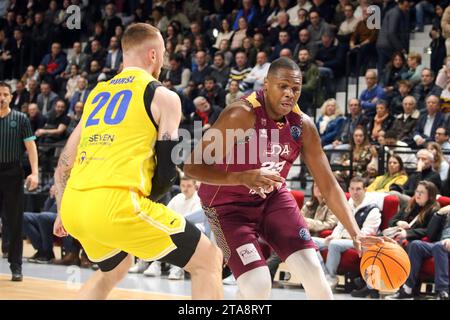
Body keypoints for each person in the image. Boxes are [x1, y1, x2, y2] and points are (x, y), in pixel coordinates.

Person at [184, 57, 383, 300]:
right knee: (258, 285)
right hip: (226, 208)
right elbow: (192, 166)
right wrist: (241, 177)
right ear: (266, 85)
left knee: (315, 276)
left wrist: (355, 232)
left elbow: (328, 184)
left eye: (296, 88)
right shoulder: (241, 114)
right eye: (283, 86)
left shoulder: (303, 126)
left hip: (273, 201)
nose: (290, 93)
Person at [52, 23, 223, 300]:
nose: (164, 60)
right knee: (209, 261)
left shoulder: (96, 95)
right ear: (154, 55)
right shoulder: (163, 96)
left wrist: (62, 210)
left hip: (75, 205)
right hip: (116, 205)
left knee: (117, 268)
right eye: (164, 53)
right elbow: (167, 173)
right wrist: (144, 203)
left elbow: (64, 162)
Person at [313, 176, 382, 290]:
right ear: (349, 190)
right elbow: (340, 225)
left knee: (334, 244)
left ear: (365, 190)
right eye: (352, 189)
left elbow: (367, 234)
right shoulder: (347, 205)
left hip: (361, 243)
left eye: (358, 189)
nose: (355, 192)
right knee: (310, 241)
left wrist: (340, 238)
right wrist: (333, 236)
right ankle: (325, 274)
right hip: (341, 239)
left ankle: (331, 276)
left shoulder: (373, 209)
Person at [0, 81, 39, 281]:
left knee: (15, 220)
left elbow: (31, 147)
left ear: (11, 97)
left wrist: (35, 172)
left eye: (5, 94)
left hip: (12, 173)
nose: (2, 98)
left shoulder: (20, 118)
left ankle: (16, 265)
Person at [388, 206, 450, 300]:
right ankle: (407, 289)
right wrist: (439, 214)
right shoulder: (447, 212)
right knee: (415, 245)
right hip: (440, 243)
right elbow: (430, 233)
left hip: (443, 245)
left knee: (439, 247)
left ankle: (443, 291)